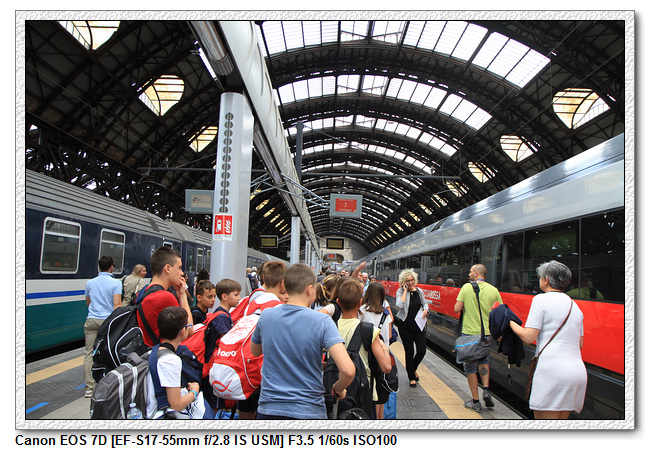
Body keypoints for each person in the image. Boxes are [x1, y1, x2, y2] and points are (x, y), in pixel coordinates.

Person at [250, 263, 355, 419]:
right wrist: (338, 388)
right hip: (309, 411)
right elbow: (348, 370)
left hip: (269, 409)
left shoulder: (267, 315)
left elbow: (255, 351)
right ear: (309, 289)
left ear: (284, 285)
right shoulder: (322, 321)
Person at [509, 261, 587, 419]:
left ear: (546, 280)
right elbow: (579, 344)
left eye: (539, 277)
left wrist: (509, 321)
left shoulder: (541, 300)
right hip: (576, 373)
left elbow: (528, 337)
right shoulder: (575, 306)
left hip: (552, 373)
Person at [454, 264, 503, 411]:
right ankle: (486, 389)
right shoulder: (493, 290)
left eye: (470, 272)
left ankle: (475, 401)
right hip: (486, 334)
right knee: (484, 361)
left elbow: (457, 309)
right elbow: (500, 311)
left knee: (470, 367)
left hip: (469, 334)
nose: (469, 274)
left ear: (476, 274)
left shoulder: (466, 287)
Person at [145, 306, 201, 419]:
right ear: (183, 331)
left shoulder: (153, 351)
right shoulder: (171, 360)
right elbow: (176, 405)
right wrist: (194, 392)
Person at [137, 247, 193, 347]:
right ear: (168, 268)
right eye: (179, 268)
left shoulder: (142, 292)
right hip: (158, 352)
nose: (182, 273)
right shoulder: (165, 297)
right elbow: (189, 329)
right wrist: (182, 295)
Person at [83, 256, 122, 397]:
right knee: (108, 352)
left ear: (100, 267)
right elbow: (117, 305)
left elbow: (88, 302)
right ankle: (107, 384)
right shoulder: (116, 283)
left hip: (92, 319)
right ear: (111, 267)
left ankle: (89, 388)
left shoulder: (90, 283)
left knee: (89, 353)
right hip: (107, 322)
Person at [353, 280, 393, 418]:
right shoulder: (386, 313)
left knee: (370, 388)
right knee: (380, 390)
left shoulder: (362, 311)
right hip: (382, 356)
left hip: (367, 355)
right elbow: (390, 335)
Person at [395, 269, 429, 388]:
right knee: (409, 351)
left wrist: (426, 310)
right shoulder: (400, 291)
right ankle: (411, 377)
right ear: (403, 282)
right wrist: (405, 291)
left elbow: (425, 303)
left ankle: (412, 368)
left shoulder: (419, 291)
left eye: (411, 280)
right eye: (407, 281)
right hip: (405, 326)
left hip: (418, 325)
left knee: (422, 350)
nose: (410, 283)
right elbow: (399, 305)